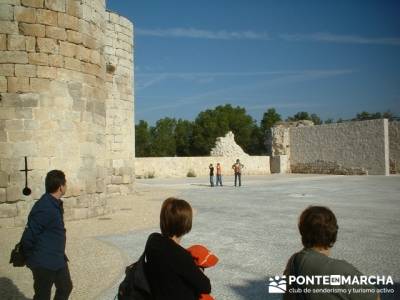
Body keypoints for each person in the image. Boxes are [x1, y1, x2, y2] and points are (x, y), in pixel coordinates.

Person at [283, 206, 379, 300]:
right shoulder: (341, 270)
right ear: (334, 234)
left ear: (302, 231)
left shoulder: (293, 262)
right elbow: (374, 297)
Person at [144, 197, 211, 300]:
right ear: (185, 224)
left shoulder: (153, 240)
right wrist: (199, 269)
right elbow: (206, 287)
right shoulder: (180, 256)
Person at [21, 170, 72, 300]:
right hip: (43, 262)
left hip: (58, 258)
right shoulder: (44, 207)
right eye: (65, 183)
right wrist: (32, 260)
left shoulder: (54, 203)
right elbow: (28, 237)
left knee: (65, 287)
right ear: (61, 187)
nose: (66, 186)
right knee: (43, 296)